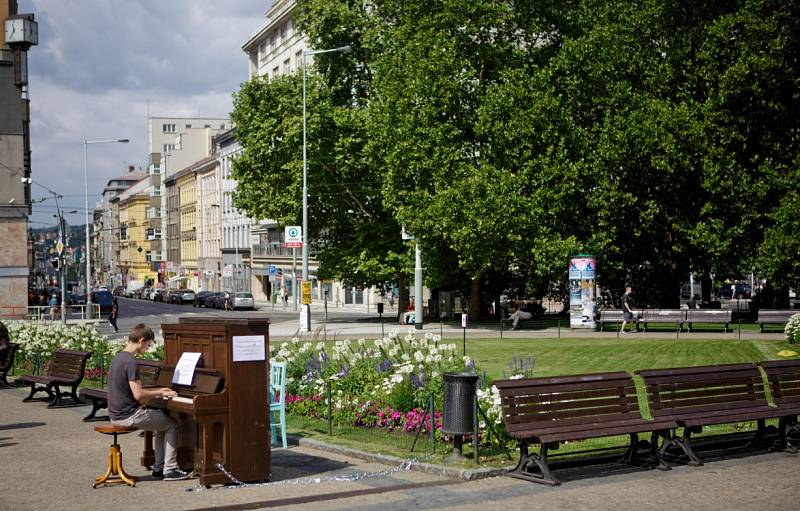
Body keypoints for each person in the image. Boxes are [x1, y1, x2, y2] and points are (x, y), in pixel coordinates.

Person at [108, 324, 190, 481]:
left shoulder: (118, 358)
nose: (148, 348)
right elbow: (139, 395)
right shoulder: (130, 362)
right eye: (148, 344)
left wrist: (156, 395)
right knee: (173, 425)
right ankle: (170, 469)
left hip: (116, 413)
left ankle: (159, 468)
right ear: (141, 340)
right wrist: (160, 392)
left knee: (161, 423)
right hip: (128, 415)